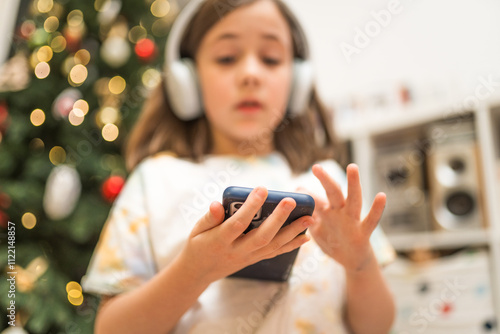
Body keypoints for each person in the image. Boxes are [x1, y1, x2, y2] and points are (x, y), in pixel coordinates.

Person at [82, 0, 396, 333]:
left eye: (271, 59)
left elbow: (376, 327)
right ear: (186, 78)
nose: (250, 74)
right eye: (227, 58)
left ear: (298, 79)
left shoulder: (330, 185)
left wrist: (360, 264)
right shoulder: (155, 183)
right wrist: (195, 270)